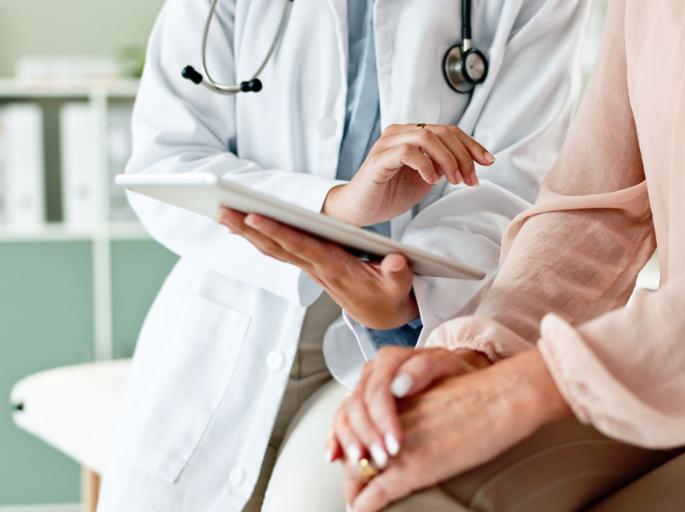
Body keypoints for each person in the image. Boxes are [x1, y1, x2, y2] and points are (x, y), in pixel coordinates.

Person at [97, 0, 593, 511]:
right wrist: (335, 205)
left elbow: (508, 185)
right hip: (233, 318)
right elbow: (166, 163)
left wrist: (405, 304)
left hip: (411, 335)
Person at [331, 0, 685, 510]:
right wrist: (474, 353)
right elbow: (593, 211)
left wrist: (526, 387)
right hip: (684, 373)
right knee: (401, 491)